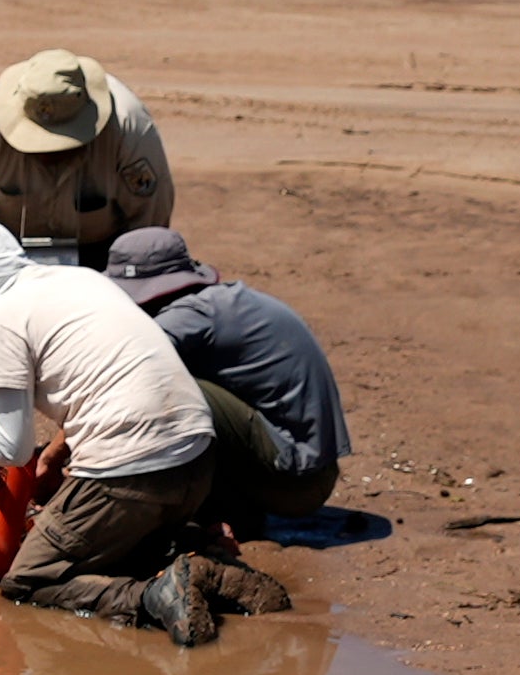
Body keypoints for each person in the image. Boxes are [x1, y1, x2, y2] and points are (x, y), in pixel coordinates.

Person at [0, 221, 224, 645]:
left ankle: (149, 597)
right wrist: (54, 453)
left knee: (28, 580)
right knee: (126, 554)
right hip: (197, 458)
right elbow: (111, 371)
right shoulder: (80, 279)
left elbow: (10, 449)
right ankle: (207, 566)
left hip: (131, 470)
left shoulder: (0, 315)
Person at [101, 226, 349, 542]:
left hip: (295, 483)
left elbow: (118, 369)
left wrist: (60, 452)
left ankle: (187, 511)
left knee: (168, 386)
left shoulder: (192, 315)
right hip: (308, 472)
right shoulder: (220, 303)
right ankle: (228, 511)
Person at [0, 50, 173, 256]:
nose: (48, 154)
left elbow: (149, 222)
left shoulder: (127, 126)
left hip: (104, 249)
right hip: (9, 249)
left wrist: (123, 276)